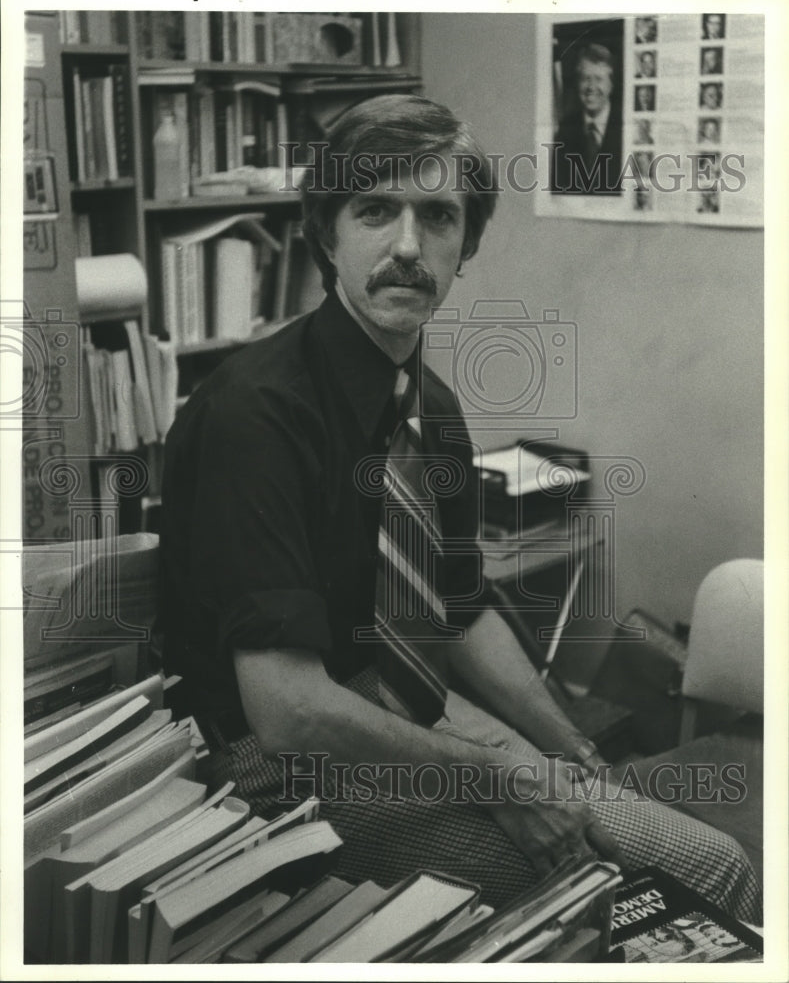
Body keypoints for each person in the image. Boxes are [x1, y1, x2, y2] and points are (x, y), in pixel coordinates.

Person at [158, 93, 762, 924]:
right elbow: (287, 710)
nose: (408, 247)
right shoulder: (254, 415)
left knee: (710, 859)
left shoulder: (428, 407)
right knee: (599, 891)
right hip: (273, 769)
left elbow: (458, 608)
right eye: (375, 210)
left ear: (465, 245)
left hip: (394, 711)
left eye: (437, 216)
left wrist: (569, 749)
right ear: (325, 233)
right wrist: (498, 777)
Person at [551, 43, 623, 194]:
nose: (591, 87)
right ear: (578, 83)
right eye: (585, 78)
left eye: (599, 79)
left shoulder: (625, 126)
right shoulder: (565, 129)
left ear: (611, 84)